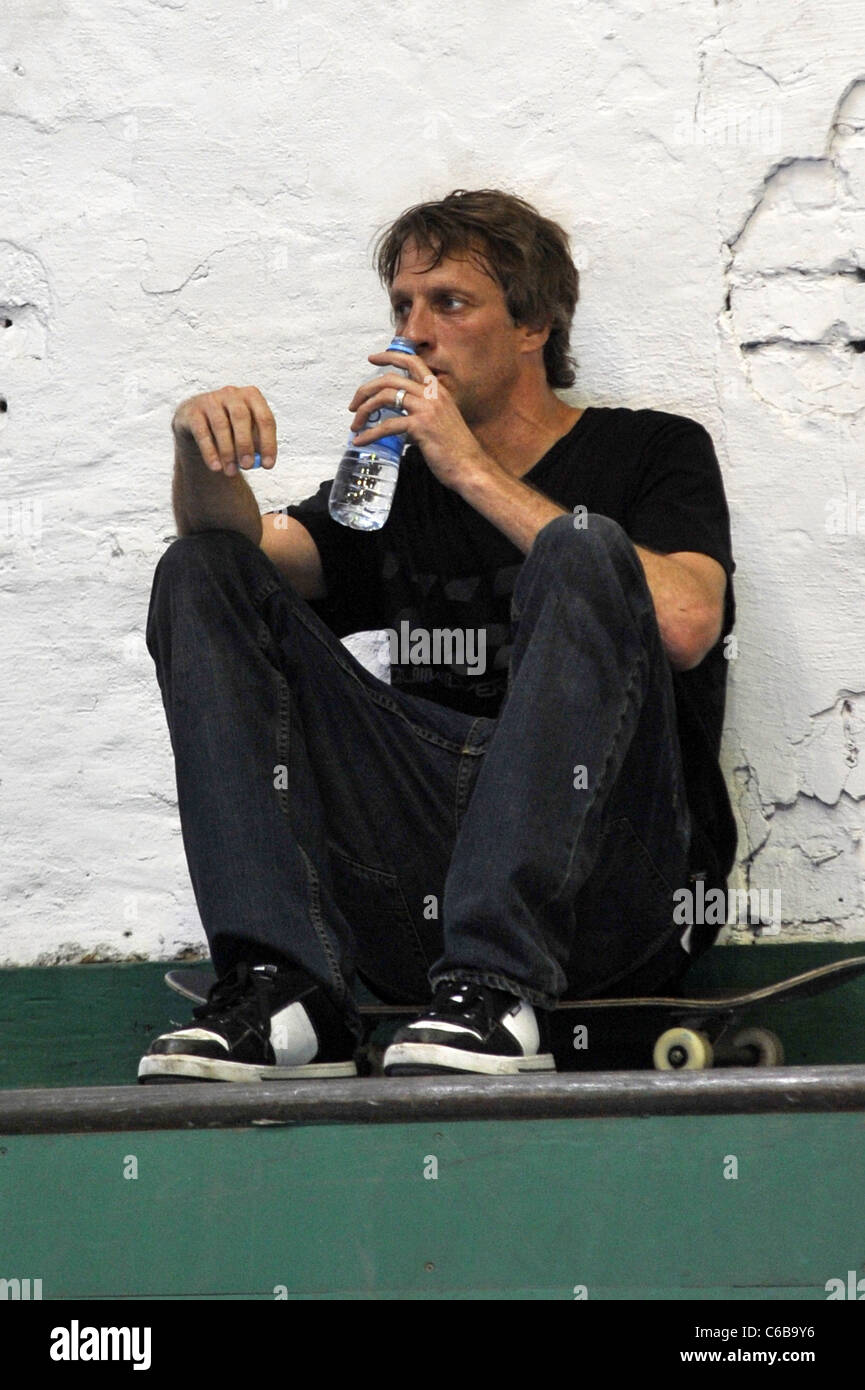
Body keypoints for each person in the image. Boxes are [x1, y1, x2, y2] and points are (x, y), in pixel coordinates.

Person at [139, 188, 736, 1084]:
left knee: (580, 547)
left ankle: (497, 985)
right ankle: (286, 987)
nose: (415, 331)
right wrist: (196, 450)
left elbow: (686, 624)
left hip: (612, 884)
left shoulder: (652, 449)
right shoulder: (387, 483)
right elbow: (249, 559)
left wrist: (467, 468)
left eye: (448, 303)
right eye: (402, 308)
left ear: (533, 325)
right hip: (423, 879)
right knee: (199, 567)